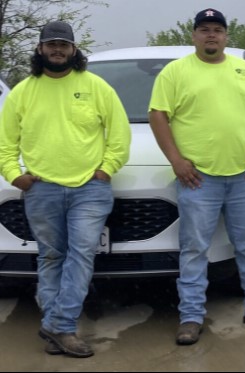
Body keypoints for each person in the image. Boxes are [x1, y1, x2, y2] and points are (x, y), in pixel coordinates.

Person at [148, 8, 245, 346]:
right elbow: (158, 116)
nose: (211, 35)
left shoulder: (244, 70)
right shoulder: (175, 72)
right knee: (194, 249)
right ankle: (191, 317)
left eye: (217, 30)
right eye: (204, 30)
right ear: (194, 35)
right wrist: (176, 161)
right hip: (198, 179)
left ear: (226, 36)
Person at [0, 21, 131, 358]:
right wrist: (16, 176)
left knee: (82, 252)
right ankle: (57, 328)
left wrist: (107, 169)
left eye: (63, 45)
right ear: (40, 49)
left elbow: (119, 134)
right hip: (42, 189)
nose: (57, 50)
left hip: (90, 188)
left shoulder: (96, 87)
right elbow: (5, 144)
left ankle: (61, 324)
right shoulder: (22, 92)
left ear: (74, 50)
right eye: (51, 45)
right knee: (52, 257)